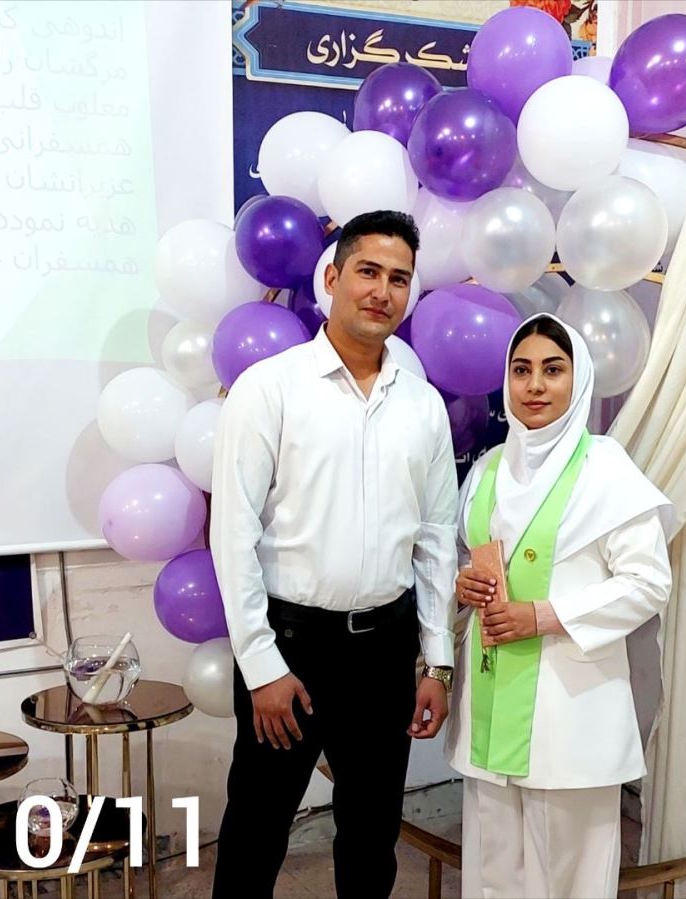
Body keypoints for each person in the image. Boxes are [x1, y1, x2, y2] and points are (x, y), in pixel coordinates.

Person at [209, 210, 458, 899]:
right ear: (333, 277)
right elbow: (231, 533)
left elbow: (437, 539)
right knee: (256, 832)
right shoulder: (270, 387)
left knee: (372, 838)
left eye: (399, 278)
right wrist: (262, 667)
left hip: (386, 651)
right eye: (367, 272)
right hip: (292, 648)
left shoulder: (423, 405)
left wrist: (437, 661)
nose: (382, 290)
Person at [445, 314, 676, 899]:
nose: (535, 386)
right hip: (490, 704)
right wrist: (462, 585)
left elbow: (648, 582)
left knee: (569, 880)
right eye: (521, 370)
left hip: (569, 715)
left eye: (553, 370)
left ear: (579, 379)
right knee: (492, 876)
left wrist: (544, 615)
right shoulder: (488, 469)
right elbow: (463, 557)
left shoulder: (606, 469)